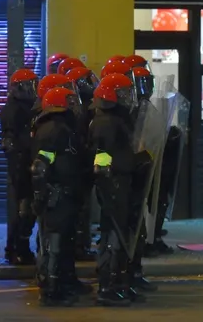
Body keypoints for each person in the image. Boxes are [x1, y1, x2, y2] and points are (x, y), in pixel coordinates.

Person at [89, 73, 150, 306]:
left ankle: (118, 283)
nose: (127, 97)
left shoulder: (116, 118)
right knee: (113, 236)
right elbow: (102, 157)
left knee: (120, 234)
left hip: (119, 183)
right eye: (123, 93)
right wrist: (112, 177)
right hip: (113, 184)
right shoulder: (106, 122)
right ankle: (108, 286)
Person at [31, 87, 86, 306]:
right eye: (69, 100)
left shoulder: (62, 127)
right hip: (57, 194)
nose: (74, 105)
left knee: (64, 242)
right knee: (54, 242)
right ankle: (52, 290)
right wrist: (41, 194)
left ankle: (61, 284)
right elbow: (41, 165)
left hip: (65, 193)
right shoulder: (53, 129)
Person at [0, 68, 39, 265]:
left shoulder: (30, 106)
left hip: (27, 163)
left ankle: (20, 248)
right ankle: (16, 249)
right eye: (28, 86)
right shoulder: (13, 109)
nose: (32, 89)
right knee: (22, 210)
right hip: (20, 166)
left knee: (28, 210)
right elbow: (10, 141)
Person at [126, 66, 158, 292]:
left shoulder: (141, 109)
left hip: (135, 177)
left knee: (137, 229)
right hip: (124, 181)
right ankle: (123, 276)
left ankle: (133, 272)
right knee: (127, 232)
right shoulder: (123, 115)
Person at [66, 67, 101, 261]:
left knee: (83, 208)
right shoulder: (80, 110)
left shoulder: (85, 107)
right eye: (87, 81)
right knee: (80, 209)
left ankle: (82, 244)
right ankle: (79, 246)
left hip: (83, 165)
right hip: (79, 166)